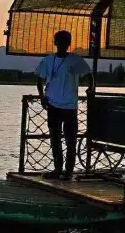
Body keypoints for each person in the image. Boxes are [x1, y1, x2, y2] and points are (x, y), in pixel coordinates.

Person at [36, 30, 92, 180]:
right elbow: (39, 79)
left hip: (69, 106)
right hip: (53, 105)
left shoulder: (75, 60)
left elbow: (89, 75)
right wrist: (43, 97)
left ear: (68, 44)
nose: (62, 45)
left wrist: (90, 88)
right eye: (59, 41)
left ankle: (68, 171)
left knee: (70, 139)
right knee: (55, 138)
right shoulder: (48, 60)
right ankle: (57, 169)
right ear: (55, 43)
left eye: (64, 42)